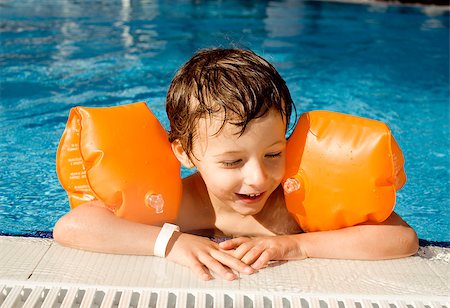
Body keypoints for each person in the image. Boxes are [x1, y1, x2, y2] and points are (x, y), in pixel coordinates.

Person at [53, 48, 419, 281]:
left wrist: (297, 247)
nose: (258, 177)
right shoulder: (181, 204)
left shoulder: (295, 205)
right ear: (183, 153)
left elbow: (400, 239)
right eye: (232, 161)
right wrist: (171, 243)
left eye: (274, 154)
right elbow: (73, 227)